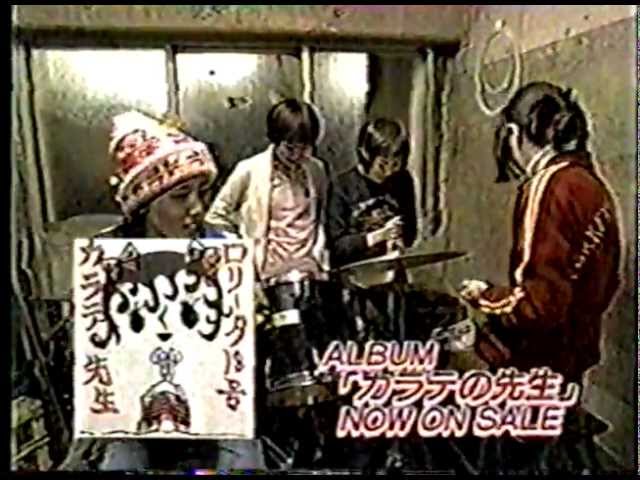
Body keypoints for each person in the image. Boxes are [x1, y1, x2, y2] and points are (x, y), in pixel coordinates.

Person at [60, 111, 267, 472]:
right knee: (120, 458)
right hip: (132, 409)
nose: (197, 209)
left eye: (203, 193)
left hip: (215, 402)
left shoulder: (223, 247)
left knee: (243, 456)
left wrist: (252, 312)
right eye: (180, 196)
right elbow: (88, 354)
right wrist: (87, 318)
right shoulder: (109, 256)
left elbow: (245, 349)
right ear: (145, 205)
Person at [459, 81, 622, 474]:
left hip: (538, 360)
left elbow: (538, 304)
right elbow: (607, 279)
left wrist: (484, 295)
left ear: (514, 134)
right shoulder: (592, 186)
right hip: (577, 352)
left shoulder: (545, 187)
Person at [204, 98, 342, 468]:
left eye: (306, 146)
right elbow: (216, 216)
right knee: (271, 369)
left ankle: (312, 446)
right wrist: (242, 258)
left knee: (315, 369)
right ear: (275, 139)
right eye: (291, 146)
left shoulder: (317, 170)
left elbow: (319, 220)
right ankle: (267, 445)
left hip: (311, 279)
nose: (298, 154)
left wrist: (321, 262)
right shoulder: (250, 171)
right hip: (266, 283)